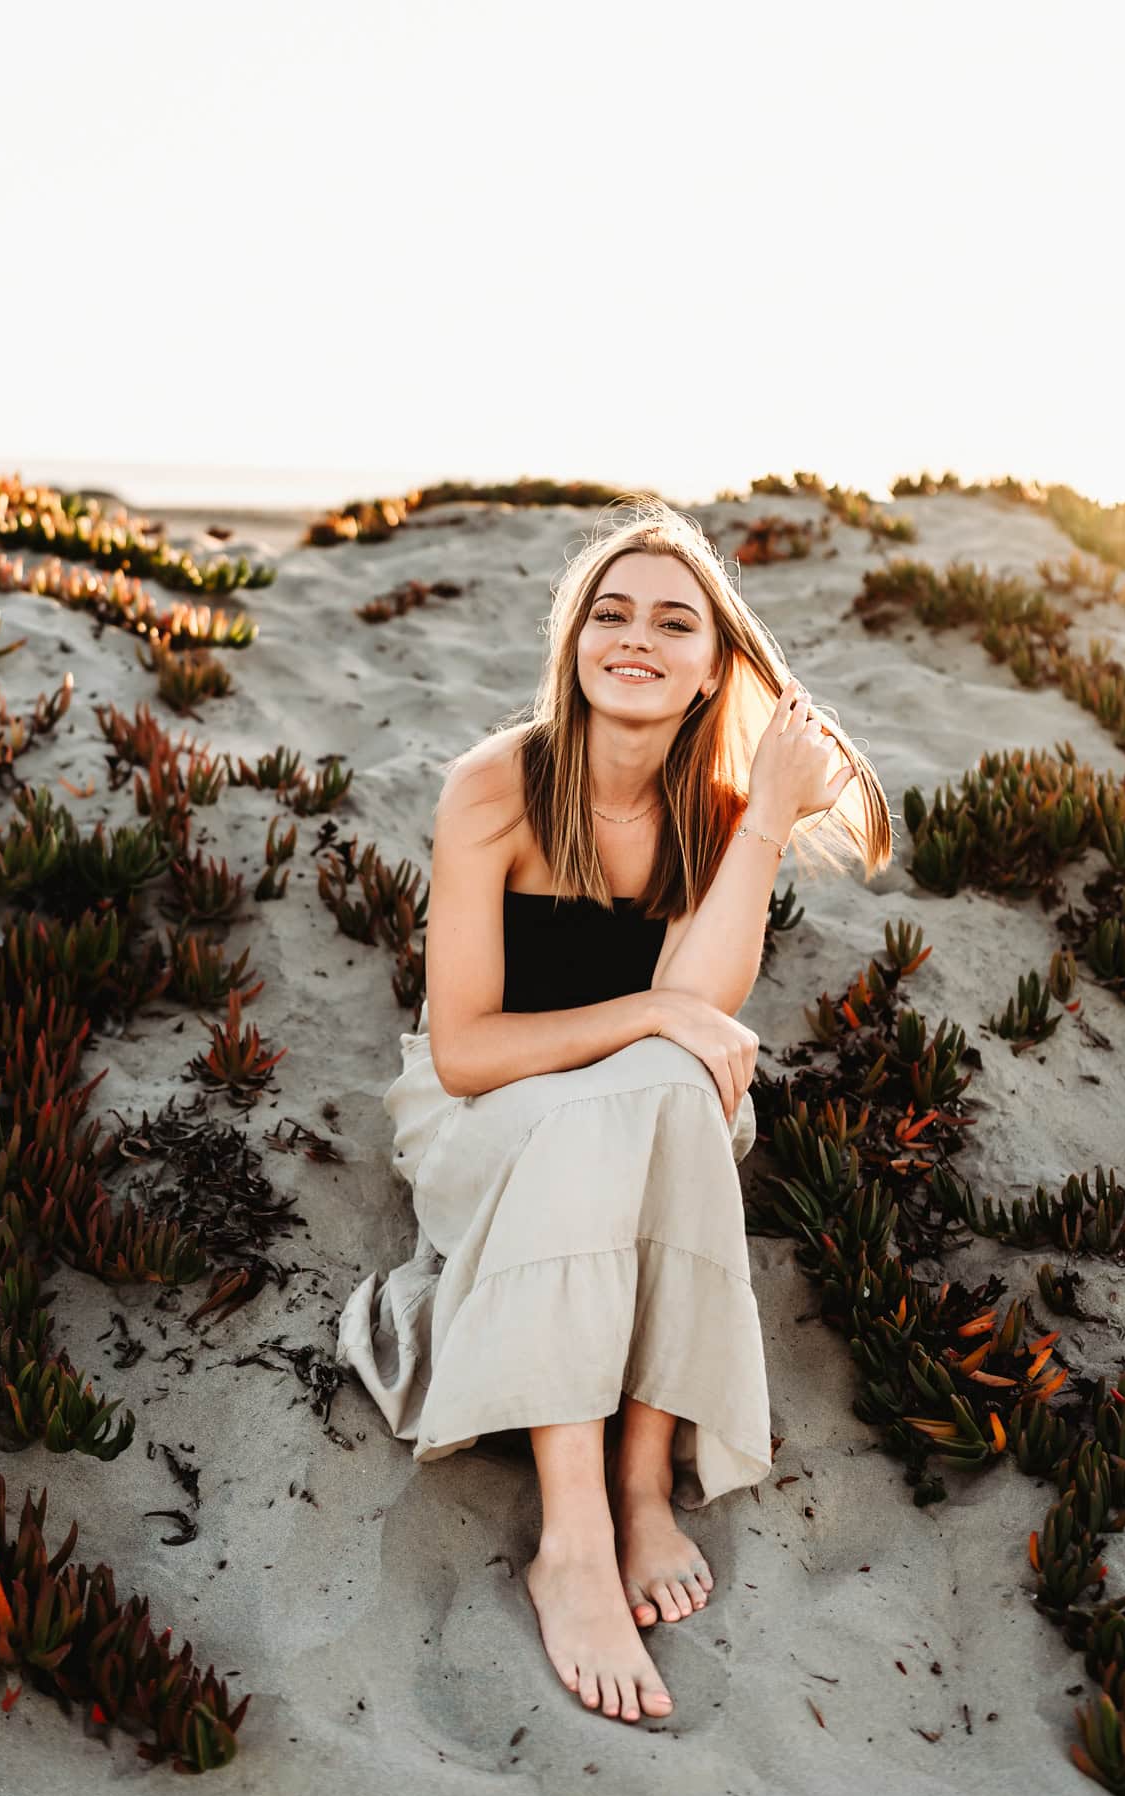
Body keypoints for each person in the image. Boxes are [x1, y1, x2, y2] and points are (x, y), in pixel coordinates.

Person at [337, 494, 893, 1726]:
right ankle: (574, 1535)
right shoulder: (497, 785)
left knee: (673, 1092)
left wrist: (757, 824)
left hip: (648, 1119)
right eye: (610, 611)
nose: (634, 636)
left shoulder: (710, 809)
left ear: (711, 668)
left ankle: (644, 1480)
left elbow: (698, 1012)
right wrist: (640, 1019)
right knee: (653, 1078)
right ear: (575, 639)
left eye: (673, 621)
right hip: (482, 1116)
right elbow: (469, 1049)